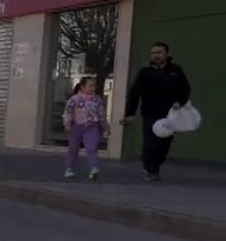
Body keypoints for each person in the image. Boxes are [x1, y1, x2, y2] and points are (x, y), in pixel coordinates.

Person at [123, 42, 191, 180]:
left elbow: (185, 89)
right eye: (153, 53)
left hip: (170, 115)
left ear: (167, 54)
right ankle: (150, 170)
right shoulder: (145, 72)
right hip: (150, 114)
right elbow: (134, 94)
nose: (156, 55)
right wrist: (130, 114)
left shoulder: (176, 71)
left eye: (159, 52)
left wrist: (180, 102)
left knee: (164, 145)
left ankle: (154, 166)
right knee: (151, 143)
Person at [62, 76, 107, 180]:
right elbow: (68, 112)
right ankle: (69, 168)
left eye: (94, 86)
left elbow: (101, 115)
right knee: (73, 149)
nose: (93, 88)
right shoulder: (75, 99)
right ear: (82, 87)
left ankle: (94, 167)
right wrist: (67, 124)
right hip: (76, 127)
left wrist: (105, 127)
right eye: (90, 86)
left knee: (92, 147)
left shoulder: (97, 100)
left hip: (91, 127)